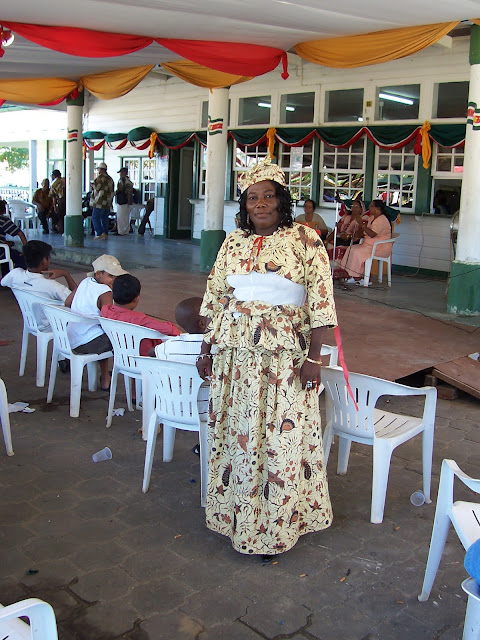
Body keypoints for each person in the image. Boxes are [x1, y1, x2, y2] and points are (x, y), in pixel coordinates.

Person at [196, 157, 337, 561]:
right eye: (252, 198)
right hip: (234, 358)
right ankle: (237, 518)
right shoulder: (232, 242)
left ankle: (277, 526)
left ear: (282, 201)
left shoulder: (306, 240)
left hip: (284, 360)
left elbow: (321, 303)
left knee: (280, 438)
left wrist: (315, 359)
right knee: (238, 435)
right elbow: (216, 297)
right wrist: (206, 349)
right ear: (244, 205)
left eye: (268, 196)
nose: (260, 204)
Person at [65, 255, 128, 391]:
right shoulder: (105, 291)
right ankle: (107, 378)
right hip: (88, 344)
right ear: (99, 274)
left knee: (99, 333)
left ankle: (104, 376)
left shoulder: (85, 282)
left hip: (70, 338)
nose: (114, 280)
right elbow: (108, 321)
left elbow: (67, 302)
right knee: (123, 339)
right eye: (111, 276)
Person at [1, 240, 76, 330]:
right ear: (44, 260)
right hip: (53, 325)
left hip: (31, 322)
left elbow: (3, 282)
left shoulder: (15, 274)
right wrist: (65, 274)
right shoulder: (52, 286)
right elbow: (77, 301)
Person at [101, 273, 181, 355]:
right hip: (143, 358)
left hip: (120, 357)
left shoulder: (105, 310)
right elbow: (169, 330)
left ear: (113, 294)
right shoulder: (139, 319)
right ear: (136, 299)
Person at [340, 199, 392, 285]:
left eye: (371, 206)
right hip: (369, 245)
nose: (369, 208)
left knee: (357, 252)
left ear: (377, 208)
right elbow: (366, 232)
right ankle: (353, 275)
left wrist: (361, 224)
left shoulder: (382, 220)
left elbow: (372, 234)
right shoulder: (372, 218)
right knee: (351, 249)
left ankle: (360, 276)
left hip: (380, 247)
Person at [0, 199, 27, 272]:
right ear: (4, 210)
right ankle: (13, 276)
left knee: (7, 251)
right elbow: (20, 233)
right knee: (21, 258)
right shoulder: (3, 220)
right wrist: (26, 249)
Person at [91, 163, 115, 240]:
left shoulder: (100, 178)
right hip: (107, 202)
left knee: (95, 217)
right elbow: (112, 191)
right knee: (105, 218)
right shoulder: (110, 179)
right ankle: (105, 233)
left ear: (101, 170)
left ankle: (100, 233)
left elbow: (96, 189)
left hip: (99, 202)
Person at [115, 167, 134, 236]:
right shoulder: (128, 181)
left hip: (122, 200)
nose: (120, 174)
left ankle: (120, 231)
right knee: (126, 216)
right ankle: (126, 230)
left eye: (121, 172)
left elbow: (120, 190)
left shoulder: (122, 180)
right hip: (127, 201)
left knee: (120, 216)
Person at [49, 169, 66, 234]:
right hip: (69, 201)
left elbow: (53, 196)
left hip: (61, 201)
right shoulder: (65, 180)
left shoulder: (54, 183)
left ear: (53, 176)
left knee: (61, 217)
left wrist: (55, 206)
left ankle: (62, 230)